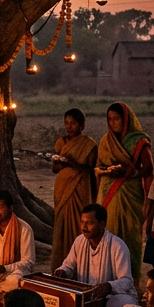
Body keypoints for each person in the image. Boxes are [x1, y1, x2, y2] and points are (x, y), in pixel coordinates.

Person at [95, 102, 152, 284]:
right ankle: (106, 279)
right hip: (108, 192)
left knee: (129, 236)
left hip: (130, 193)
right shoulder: (106, 141)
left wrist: (129, 172)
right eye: (110, 119)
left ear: (126, 119)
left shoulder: (139, 141)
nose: (113, 123)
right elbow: (98, 166)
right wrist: (105, 171)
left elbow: (148, 167)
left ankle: (130, 282)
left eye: (116, 119)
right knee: (108, 232)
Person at [53, 203, 137, 307]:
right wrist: (63, 271)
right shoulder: (79, 241)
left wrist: (109, 286)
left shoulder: (118, 246)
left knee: (118, 306)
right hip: (87, 296)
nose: (84, 227)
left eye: (89, 223)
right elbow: (68, 265)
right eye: (82, 222)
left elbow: (127, 281)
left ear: (102, 224)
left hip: (112, 297)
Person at [50, 109, 98, 270]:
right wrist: (57, 164)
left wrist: (71, 163)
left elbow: (90, 168)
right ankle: (61, 264)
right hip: (62, 188)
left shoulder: (89, 144)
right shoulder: (61, 142)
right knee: (62, 224)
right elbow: (55, 169)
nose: (69, 127)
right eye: (66, 123)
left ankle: (81, 265)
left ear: (82, 125)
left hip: (80, 187)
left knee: (80, 223)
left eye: (73, 123)